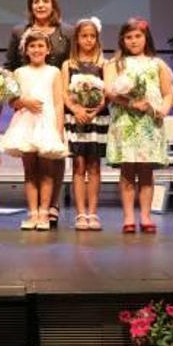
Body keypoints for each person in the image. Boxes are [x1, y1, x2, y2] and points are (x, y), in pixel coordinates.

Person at [5, 0, 73, 226]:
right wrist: (15, 99)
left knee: (53, 158)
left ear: (53, 5)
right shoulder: (19, 32)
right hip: (26, 110)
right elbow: (9, 69)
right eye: (36, 1)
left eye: (46, 1)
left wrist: (64, 114)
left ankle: (50, 206)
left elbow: (71, 66)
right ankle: (34, 211)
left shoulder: (67, 32)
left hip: (54, 107)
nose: (41, 5)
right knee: (31, 165)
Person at [105, 18, 173, 234]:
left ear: (146, 38)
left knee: (145, 171)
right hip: (125, 122)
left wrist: (164, 108)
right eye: (129, 37)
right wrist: (132, 103)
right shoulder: (114, 64)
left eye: (138, 36)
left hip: (149, 122)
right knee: (127, 170)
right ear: (122, 40)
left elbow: (168, 92)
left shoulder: (157, 63)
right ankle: (128, 217)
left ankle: (145, 215)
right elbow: (109, 92)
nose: (133, 41)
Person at [0, 30, 68, 230]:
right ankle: (33, 212)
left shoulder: (54, 72)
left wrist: (59, 128)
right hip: (26, 122)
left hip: (47, 123)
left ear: (48, 49)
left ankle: (45, 212)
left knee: (47, 171)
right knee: (29, 170)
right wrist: (24, 102)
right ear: (26, 50)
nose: (36, 50)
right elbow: (12, 102)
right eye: (32, 46)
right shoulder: (19, 72)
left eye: (40, 46)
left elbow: (58, 103)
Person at [61, 17, 109, 231]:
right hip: (75, 118)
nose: (88, 40)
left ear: (97, 39)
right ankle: (81, 213)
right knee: (78, 165)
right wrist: (77, 110)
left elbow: (107, 93)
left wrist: (95, 109)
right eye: (84, 36)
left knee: (94, 166)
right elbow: (64, 93)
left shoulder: (103, 64)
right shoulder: (68, 64)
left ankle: (93, 212)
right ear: (77, 39)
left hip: (98, 117)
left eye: (92, 36)